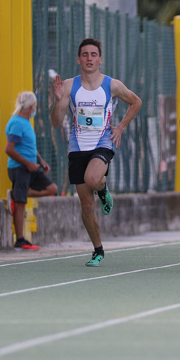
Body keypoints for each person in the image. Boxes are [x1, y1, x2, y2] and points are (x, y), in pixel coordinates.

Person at [52, 37, 142, 266]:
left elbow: (136, 102)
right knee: (86, 206)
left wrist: (120, 127)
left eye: (93, 55)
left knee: (92, 178)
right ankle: (98, 250)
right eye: (85, 55)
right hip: (77, 147)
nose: (89, 59)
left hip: (102, 142)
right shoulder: (69, 86)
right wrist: (58, 101)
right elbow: (55, 122)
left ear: (100, 59)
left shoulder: (112, 85)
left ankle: (102, 188)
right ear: (78, 59)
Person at [5, 91, 58, 251]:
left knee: (52, 188)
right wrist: (28, 163)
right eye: (35, 105)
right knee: (21, 204)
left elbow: (29, 146)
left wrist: (40, 161)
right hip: (20, 168)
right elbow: (9, 149)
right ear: (31, 106)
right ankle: (20, 240)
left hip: (31, 167)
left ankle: (17, 194)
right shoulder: (17, 122)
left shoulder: (27, 122)